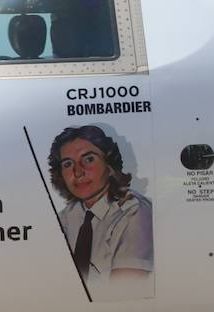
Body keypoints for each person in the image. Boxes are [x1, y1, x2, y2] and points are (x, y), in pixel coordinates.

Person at [47, 126, 153, 298]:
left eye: (88, 159)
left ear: (109, 165)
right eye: (68, 164)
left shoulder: (135, 212)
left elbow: (125, 293)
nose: (78, 172)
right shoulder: (65, 218)